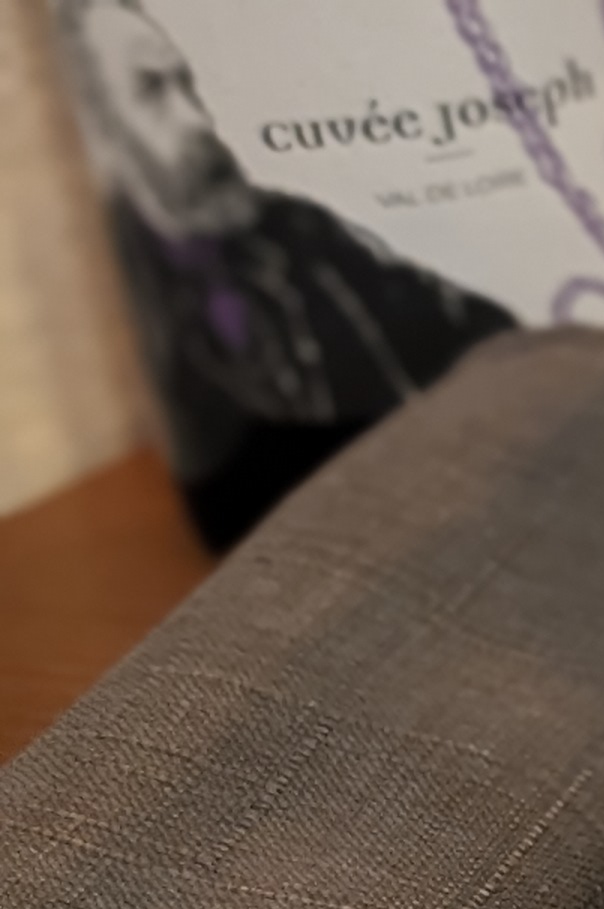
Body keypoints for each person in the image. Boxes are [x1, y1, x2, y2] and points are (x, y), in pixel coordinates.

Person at [53, 0, 521, 543]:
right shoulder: (147, 273)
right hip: (265, 531)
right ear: (106, 124)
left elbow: (469, 324)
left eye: (191, 81)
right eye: (153, 89)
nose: (197, 118)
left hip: (483, 495)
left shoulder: (312, 232)